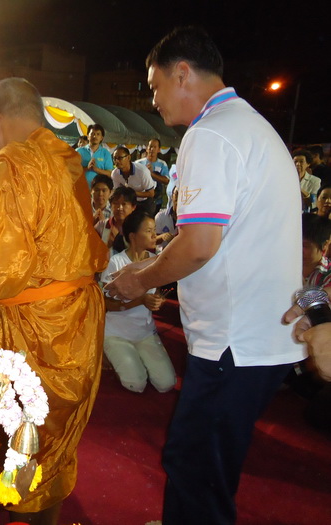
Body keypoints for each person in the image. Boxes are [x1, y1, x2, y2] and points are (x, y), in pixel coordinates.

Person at [105, 27, 304, 524]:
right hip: (256, 334)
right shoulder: (248, 125)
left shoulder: (210, 133)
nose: (153, 100)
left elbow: (198, 245)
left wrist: (138, 279)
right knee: (208, 463)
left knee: (196, 468)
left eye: (154, 86)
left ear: (182, 73)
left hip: (234, 341)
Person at [0, 77, 107, 525]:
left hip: (32, 333)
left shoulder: (2, 178)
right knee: (57, 440)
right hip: (80, 321)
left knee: (22, 436)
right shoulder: (71, 166)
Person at [101, 211, 176, 393]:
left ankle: (135, 360)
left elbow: (156, 292)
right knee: (136, 384)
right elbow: (106, 304)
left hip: (145, 332)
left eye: (154, 230)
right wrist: (141, 300)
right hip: (117, 333)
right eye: (149, 231)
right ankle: (112, 353)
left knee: (166, 384)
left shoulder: (156, 261)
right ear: (133, 236)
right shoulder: (116, 263)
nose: (154, 235)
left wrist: (157, 300)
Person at [111, 145, 156, 216]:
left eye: (120, 158)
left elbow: (151, 193)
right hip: (128, 203)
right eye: (114, 158)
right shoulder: (115, 174)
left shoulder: (142, 171)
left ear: (129, 157)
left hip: (144, 202)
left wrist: (132, 193)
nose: (116, 161)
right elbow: (117, 192)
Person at [95, 186, 137, 254]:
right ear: (111, 205)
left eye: (124, 204)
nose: (120, 208)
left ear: (133, 207)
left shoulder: (138, 228)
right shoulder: (102, 225)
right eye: (116, 203)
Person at [136, 138, 169, 212]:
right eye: (150, 146)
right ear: (147, 148)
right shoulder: (138, 163)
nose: (152, 149)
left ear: (159, 150)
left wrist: (151, 174)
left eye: (155, 147)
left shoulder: (162, 164)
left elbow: (166, 180)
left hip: (156, 201)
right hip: (140, 200)